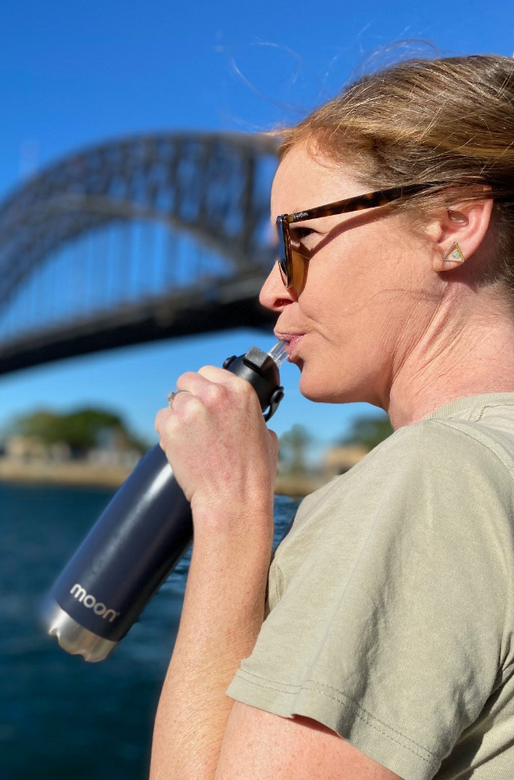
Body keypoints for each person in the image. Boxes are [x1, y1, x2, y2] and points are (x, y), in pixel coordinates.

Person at [150, 54, 514, 780]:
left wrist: (228, 508)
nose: (269, 291)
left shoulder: (433, 480)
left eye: (300, 241)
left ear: (452, 225)